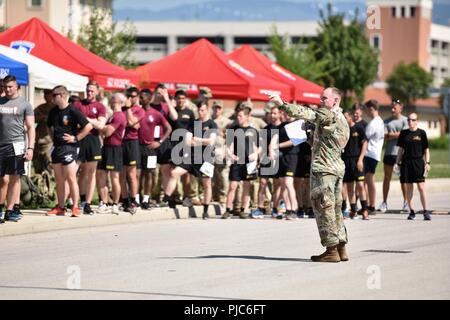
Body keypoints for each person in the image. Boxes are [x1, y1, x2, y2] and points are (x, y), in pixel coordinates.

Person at [271, 87, 350, 263]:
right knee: (335, 209)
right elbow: (327, 143)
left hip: (324, 170)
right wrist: (310, 136)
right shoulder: (341, 118)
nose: (320, 101)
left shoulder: (329, 115)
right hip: (335, 168)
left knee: (324, 209)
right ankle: (340, 247)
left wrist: (282, 104)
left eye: (324, 98)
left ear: (335, 101)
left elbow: (308, 113)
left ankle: (331, 250)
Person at [162, 101, 217, 219]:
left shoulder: (212, 124)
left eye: (202, 110)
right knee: (174, 172)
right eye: (199, 110)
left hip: (207, 157)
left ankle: (205, 210)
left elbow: (211, 142)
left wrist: (197, 139)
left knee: (206, 183)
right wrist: (202, 141)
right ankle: (167, 198)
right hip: (192, 156)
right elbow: (187, 141)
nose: (200, 113)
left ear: (207, 109)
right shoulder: (194, 123)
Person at [46, 86, 92, 217]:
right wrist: (52, 138)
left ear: (62, 95)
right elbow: (49, 126)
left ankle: (75, 207)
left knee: (71, 177)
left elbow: (88, 126)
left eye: (54, 95)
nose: (52, 97)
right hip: (57, 148)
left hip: (69, 148)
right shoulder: (53, 111)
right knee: (59, 180)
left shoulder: (73, 110)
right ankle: (61, 207)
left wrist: (76, 138)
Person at [0, 75, 35, 223]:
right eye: (5, 87)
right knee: (2, 179)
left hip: (17, 145)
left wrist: (30, 147)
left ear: (17, 87)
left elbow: (30, 127)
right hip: (1, 145)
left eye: (10, 87)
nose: (7, 90)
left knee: (14, 178)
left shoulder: (25, 104)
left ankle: (10, 210)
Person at [73, 81, 107, 215]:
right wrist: (92, 121)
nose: (89, 93)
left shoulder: (100, 107)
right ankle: (75, 201)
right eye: (88, 90)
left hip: (93, 140)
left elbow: (101, 125)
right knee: (75, 171)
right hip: (79, 138)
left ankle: (87, 203)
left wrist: (85, 119)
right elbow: (73, 121)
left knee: (91, 173)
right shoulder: (77, 104)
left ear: (97, 92)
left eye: (92, 91)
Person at [222, 107, 260, 219]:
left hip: (249, 163)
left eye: (241, 116)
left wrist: (255, 154)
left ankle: (243, 210)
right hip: (237, 162)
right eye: (237, 116)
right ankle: (228, 210)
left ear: (247, 117)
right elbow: (228, 146)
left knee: (247, 186)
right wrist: (231, 155)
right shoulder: (233, 129)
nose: (238, 118)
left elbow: (260, 147)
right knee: (233, 186)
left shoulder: (253, 131)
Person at [138, 91, 172, 209]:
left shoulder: (156, 114)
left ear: (149, 99)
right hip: (137, 147)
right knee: (137, 174)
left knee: (149, 174)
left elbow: (168, 128)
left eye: (142, 97)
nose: (140, 99)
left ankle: (146, 199)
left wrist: (159, 142)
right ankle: (137, 198)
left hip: (150, 149)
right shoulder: (137, 112)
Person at [96, 93, 128, 215]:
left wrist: (101, 128)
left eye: (113, 99)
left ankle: (115, 204)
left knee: (114, 178)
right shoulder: (112, 116)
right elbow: (104, 131)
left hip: (115, 148)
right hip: (106, 147)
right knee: (101, 176)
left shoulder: (119, 116)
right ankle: (104, 203)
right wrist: (102, 128)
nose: (111, 100)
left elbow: (108, 132)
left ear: (119, 102)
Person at [396, 113, 431, 221]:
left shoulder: (421, 133)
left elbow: (426, 149)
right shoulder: (404, 133)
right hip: (406, 163)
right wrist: (397, 163)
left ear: (417, 121)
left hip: (418, 163)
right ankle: (412, 212)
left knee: (421, 187)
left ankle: (425, 211)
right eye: (409, 120)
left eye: (413, 120)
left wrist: (428, 163)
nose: (410, 122)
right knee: (409, 188)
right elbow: (400, 150)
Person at [250, 105, 281, 219]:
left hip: (278, 159)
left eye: (275, 113)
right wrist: (257, 157)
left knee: (277, 185)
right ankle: (259, 208)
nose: (272, 116)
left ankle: (275, 208)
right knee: (262, 183)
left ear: (279, 114)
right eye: (271, 113)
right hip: (265, 159)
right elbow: (261, 146)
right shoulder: (265, 129)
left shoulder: (283, 128)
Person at [378, 99, 409, 213]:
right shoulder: (386, 121)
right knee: (387, 178)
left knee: (403, 179)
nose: (392, 109)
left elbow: (405, 136)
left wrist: (392, 135)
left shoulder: (406, 120)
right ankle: (384, 202)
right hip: (389, 153)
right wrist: (398, 134)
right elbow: (384, 136)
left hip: (401, 154)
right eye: (391, 107)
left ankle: (406, 203)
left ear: (401, 108)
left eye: (394, 107)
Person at [120, 87, 146, 214]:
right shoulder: (121, 108)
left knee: (132, 174)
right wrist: (131, 124)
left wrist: (128, 109)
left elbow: (131, 122)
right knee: (121, 173)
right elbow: (125, 123)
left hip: (132, 142)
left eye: (134, 96)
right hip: (120, 141)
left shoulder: (139, 110)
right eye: (129, 95)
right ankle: (125, 200)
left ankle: (134, 200)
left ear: (138, 97)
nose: (131, 98)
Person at [271, 109, 300, 220]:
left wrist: (277, 146)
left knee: (288, 182)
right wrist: (271, 150)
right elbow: (274, 139)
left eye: (287, 112)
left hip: (292, 156)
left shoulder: (297, 125)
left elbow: (293, 141)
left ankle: (294, 208)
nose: (285, 114)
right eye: (284, 113)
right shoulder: (281, 126)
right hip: (282, 157)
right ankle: (288, 210)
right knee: (283, 183)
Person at [342, 110, 369, 220]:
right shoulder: (343, 130)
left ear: (351, 117)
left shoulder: (359, 128)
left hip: (357, 160)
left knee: (361, 186)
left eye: (345, 117)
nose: (344, 119)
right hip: (346, 161)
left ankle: (365, 210)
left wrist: (360, 159)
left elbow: (365, 143)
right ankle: (353, 210)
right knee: (349, 188)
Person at [363, 99, 385, 214]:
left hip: (370, 153)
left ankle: (370, 205)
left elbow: (365, 139)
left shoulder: (374, 123)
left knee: (368, 180)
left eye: (367, 110)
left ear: (371, 109)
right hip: (374, 154)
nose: (366, 112)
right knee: (369, 180)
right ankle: (370, 205)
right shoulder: (379, 121)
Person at [211, 100, 232, 204]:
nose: (216, 110)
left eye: (219, 108)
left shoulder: (227, 122)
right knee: (212, 175)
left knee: (223, 175)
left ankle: (223, 196)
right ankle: (214, 195)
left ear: (222, 110)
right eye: (215, 108)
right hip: (210, 151)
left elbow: (229, 138)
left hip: (221, 150)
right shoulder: (209, 120)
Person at [34, 89, 55, 174]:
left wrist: (47, 118)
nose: (46, 96)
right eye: (45, 94)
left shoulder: (55, 108)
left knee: (48, 162)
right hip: (39, 139)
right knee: (37, 162)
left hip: (49, 140)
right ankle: (38, 181)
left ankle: (50, 181)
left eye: (48, 94)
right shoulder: (40, 107)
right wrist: (41, 118)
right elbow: (32, 119)